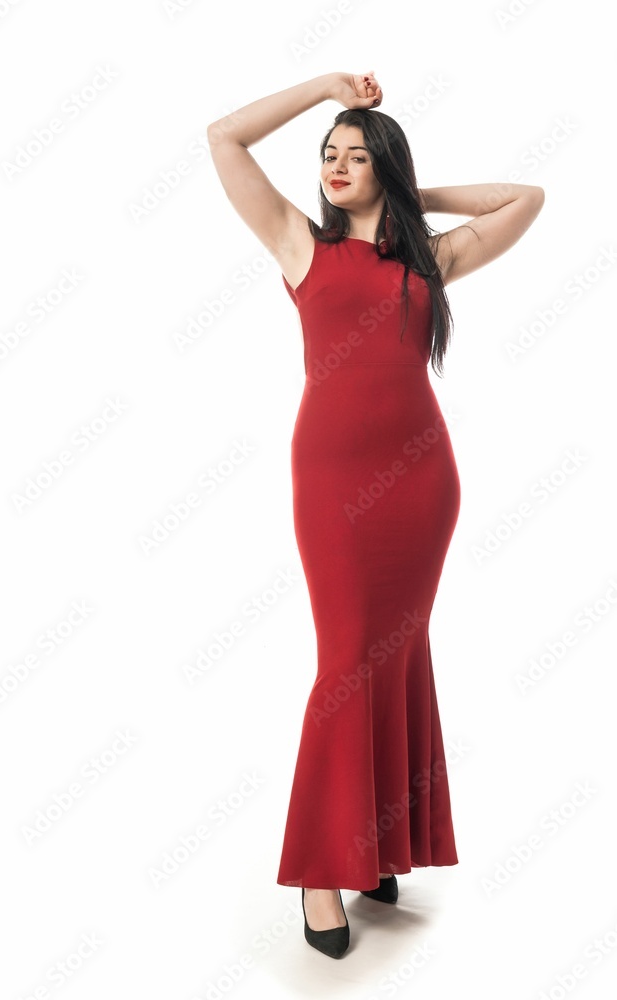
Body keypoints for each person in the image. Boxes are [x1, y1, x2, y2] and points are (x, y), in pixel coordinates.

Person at [207, 71, 544, 959]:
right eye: (329, 155)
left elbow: (527, 197)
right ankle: (322, 867)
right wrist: (322, 89)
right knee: (348, 662)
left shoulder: (428, 261)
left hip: (422, 483)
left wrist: (407, 189)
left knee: (396, 654)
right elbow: (222, 138)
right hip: (332, 485)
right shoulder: (298, 248)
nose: (336, 166)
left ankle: (378, 844)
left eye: (358, 155)